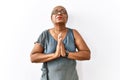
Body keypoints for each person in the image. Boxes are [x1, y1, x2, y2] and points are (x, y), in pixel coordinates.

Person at [30, 5, 91, 80]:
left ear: (67, 18)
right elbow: (33, 57)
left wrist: (66, 54)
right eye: (55, 12)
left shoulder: (74, 33)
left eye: (63, 12)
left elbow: (87, 55)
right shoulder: (45, 34)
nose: (59, 13)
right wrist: (55, 55)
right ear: (51, 18)